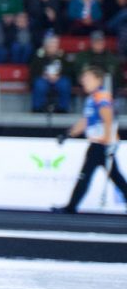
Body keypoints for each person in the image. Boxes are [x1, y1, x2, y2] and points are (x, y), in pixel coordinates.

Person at [52, 67, 127, 213]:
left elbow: (108, 117)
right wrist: (68, 134)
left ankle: (71, 207)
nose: (83, 81)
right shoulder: (92, 98)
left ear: (97, 80)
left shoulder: (101, 96)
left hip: (102, 144)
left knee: (88, 176)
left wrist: (107, 138)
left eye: (87, 78)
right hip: (98, 143)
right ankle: (71, 206)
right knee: (110, 176)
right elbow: (86, 121)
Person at [30, 36, 76, 113]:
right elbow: (33, 70)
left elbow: (69, 70)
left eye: (54, 45)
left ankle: (63, 109)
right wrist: (44, 75)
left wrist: (59, 75)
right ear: (46, 46)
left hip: (59, 79)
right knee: (39, 84)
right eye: (50, 45)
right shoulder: (39, 55)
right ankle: (37, 108)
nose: (52, 47)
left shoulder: (62, 55)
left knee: (65, 83)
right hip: (44, 79)